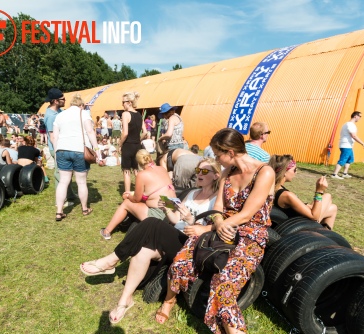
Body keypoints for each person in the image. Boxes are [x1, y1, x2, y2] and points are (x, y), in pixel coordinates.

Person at [156, 128, 275, 334]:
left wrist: (216, 225)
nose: (217, 161)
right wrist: (218, 222)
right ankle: (169, 300)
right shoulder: (228, 173)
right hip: (221, 229)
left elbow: (247, 215)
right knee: (180, 262)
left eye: (218, 155)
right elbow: (218, 207)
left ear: (230, 152)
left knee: (224, 286)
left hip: (250, 236)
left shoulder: (264, 172)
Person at [80, 158, 221, 324]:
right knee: (143, 250)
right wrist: (166, 208)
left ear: (216, 176)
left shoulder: (216, 199)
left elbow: (210, 231)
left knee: (152, 223)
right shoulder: (191, 193)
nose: (199, 173)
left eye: (204, 171)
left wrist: (191, 220)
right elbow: (175, 220)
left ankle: (112, 260)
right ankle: (124, 301)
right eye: (198, 170)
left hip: (190, 244)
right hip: (174, 235)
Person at [100, 149, 176, 240]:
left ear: (138, 163)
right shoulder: (162, 169)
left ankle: (107, 232)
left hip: (160, 214)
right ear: (150, 157)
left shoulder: (142, 174)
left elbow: (136, 199)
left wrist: (128, 195)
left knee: (126, 203)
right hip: (173, 209)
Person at [53, 94, 100, 221]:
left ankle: (59, 211)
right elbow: (90, 131)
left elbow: (55, 137)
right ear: (81, 105)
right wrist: (96, 149)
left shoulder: (60, 115)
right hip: (79, 149)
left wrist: (57, 152)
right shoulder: (84, 113)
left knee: (63, 181)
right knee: (81, 182)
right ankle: (85, 209)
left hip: (62, 149)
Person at [269, 154, 338, 229]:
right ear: (285, 171)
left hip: (294, 220)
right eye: (294, 170)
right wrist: (319, 191)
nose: (296, 172)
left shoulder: (273, 187)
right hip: (300, 226)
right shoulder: (286, 195)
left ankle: (326, 236)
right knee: (327, 196)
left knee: (333, 208)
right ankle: (321, 236)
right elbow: (314, 217)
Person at [43, 88, 77, 205]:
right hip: (57, 148)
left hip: (63, 147)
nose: (65, 100)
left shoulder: (58, 111)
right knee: (60, 175)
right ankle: (61, 202)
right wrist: (58, 152)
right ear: (56, 101)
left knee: (67, 172)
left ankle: (70, 194)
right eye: (63, 99)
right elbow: (53, 137)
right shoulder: (51, 116)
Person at [120, 91, 148, 193]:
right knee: (136, 170)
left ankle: (127, 193)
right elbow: (145, 132)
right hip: (137, 145)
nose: (122, 104)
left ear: (129, 102)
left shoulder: (125, 114)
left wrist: (120, 144)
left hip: (128, 145)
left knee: (126, 171)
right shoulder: (139, 115)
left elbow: (125, 133)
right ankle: (140, 191)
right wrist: (138, 140)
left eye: (123, 102)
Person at [331, 111, 364, 179]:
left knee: (349, 159)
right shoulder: (350, 125)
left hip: (349, 145)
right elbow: (354, 135)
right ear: (355, 116)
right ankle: (334, 174)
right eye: (360, 116)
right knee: (343, 159)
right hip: (346, 145)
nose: (360, 118)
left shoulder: (350, 124)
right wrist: (362, 143)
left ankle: (344, 173)